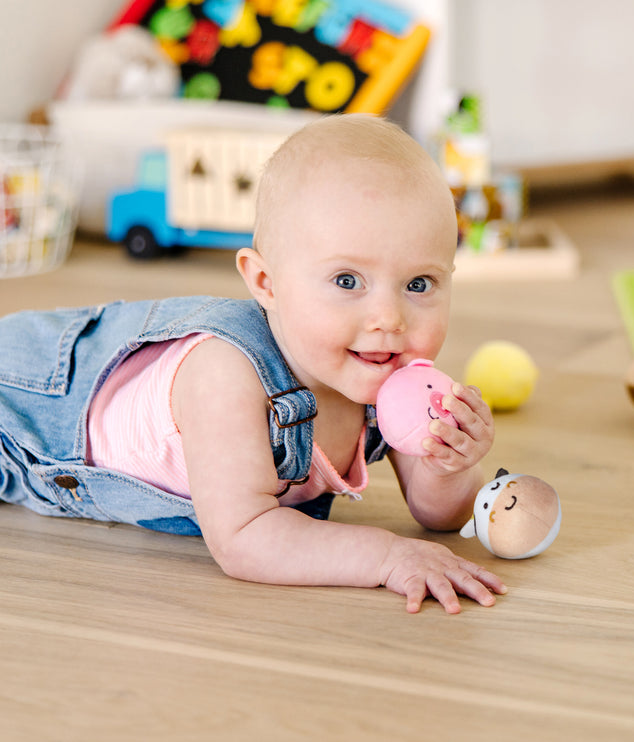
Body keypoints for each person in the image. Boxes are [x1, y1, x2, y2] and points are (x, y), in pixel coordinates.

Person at [0, 114, 506, 614]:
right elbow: (244, 537)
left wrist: (450, 465)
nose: (389, 319)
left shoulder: (393, 378)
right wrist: (388, 556)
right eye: (348, 281)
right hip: (22, 419)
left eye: (419, 284)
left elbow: (438, 514)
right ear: (265, 283)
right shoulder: (228, 375)